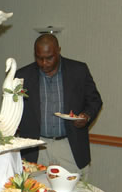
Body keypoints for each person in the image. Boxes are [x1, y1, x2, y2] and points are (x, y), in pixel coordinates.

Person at [16, 33, 103, 174]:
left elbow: (95, 100)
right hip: (36, 149)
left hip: (69, 147)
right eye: (39, 58)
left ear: (58, 51)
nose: (44, 63)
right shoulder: (22, 76)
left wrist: (86, 116)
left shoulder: (78, 71)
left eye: (49, 58)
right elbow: (13, 109)